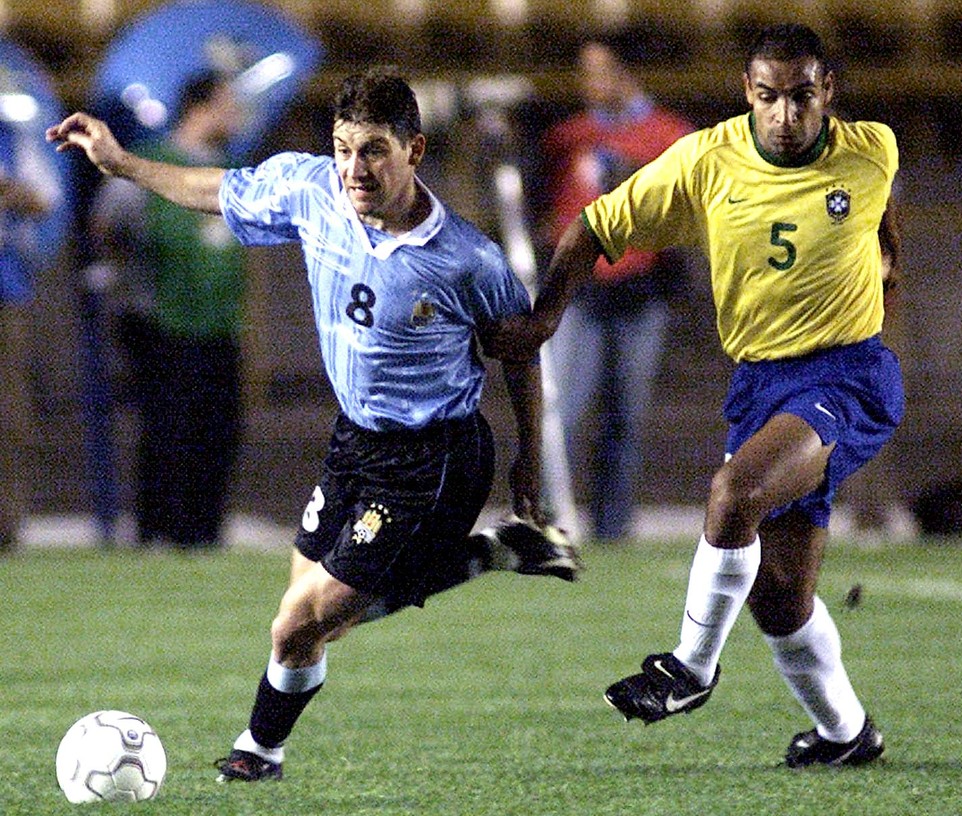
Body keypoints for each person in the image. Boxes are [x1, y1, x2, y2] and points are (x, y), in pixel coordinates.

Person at [48, 68, 580, 781]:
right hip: (355, 441)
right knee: (303, 618)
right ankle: (493, 554)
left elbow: (521, 355)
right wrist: (122, 163)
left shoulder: (465, 259)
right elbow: (213, 190)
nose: (355, 169)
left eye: (374, 151)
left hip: (435, 461)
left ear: (414, 151)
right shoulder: (309, 190)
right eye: (343, 149)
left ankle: (258, 753)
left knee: (301, 624)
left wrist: (528, 464)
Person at [486, 23, 903, 767]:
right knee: (779, 597)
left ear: (827, 93)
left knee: (732, 494)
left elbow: (882, 222)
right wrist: (548, 313)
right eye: (769, 97)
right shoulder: (708, 160)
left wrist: (885, 283)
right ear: (749, 92)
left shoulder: (869, 148)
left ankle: (691, 667)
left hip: (846, 376)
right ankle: (846, 734)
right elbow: (595, 224)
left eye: (801, 97)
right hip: (761, 384)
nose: (784, 116)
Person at [539, 37, 695, 541]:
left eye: (600, 71)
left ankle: (613, 530)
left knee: (625, 419)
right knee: (560, 413)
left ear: (627, 74)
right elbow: (545, 205)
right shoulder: (567, 138)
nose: (590, 83)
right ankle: (545, 523)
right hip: (581, 295)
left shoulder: (671, 137)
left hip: (639, 296)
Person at [89, 72, 248, 550]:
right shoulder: (151, 160)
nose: (236, 114)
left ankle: (204, 535)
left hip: (219, 324)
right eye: (227, 103)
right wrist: (130, 275)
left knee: (219, 431)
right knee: (168, 431)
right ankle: (157, 533)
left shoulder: (235, 168)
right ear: (200, 107)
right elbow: (105, 224)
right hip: (162, 321)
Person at [0, 120, 63, 553]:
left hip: (6, 288)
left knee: (8, 415)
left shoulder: (12, 135)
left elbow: (46, 200)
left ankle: (6, 525)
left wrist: (10, 191)